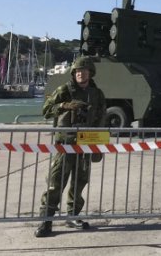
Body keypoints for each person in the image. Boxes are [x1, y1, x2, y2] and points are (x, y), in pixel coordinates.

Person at [35, 56, 107, 238]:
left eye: (85, 71)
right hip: (65, 144)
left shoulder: (96, 94)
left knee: (80, 181)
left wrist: (99, 144)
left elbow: (101, 118)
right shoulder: (64, 90)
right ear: (74, 73)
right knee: (55, 182)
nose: (81, 74)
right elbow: (45, 110)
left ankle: (73, 215)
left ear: (91, 73)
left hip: (85, 143)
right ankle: (46, 219)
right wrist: (64, 105)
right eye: (78, 71)